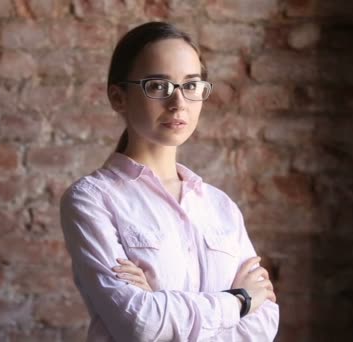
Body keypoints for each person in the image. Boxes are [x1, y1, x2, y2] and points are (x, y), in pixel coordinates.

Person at [60, 21, 279, 341]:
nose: (179, 103)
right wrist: (240, 301)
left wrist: (161, 303)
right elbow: (139, 324)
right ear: (118, 98)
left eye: (191, 86)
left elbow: (264, 324)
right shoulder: (91, 200)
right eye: (158, 86)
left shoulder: (220, 207)